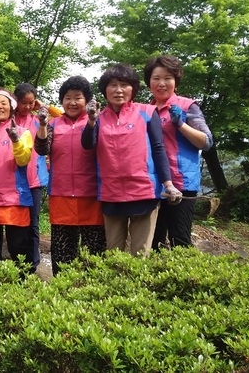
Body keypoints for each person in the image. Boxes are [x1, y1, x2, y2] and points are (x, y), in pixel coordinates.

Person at [81, 63, 183, 256]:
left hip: (144, 191)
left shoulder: (147, 112)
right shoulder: (99, 118)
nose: (118, 90)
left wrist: (168, 184)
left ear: (133, 89)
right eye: (112, 85)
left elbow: (159, 148)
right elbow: (88, 144)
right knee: (113, 254)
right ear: (104, 90)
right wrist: (91, 120)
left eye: (124, 85)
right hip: (111, 194)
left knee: (140, 254)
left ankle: (138, 285)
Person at [34, 76, 106, 274]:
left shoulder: (96, 121)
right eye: (67, 98)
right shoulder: (54, 124)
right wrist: (42, 125)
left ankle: (95, 294)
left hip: (91, 194)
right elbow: (42, 149)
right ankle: (63, 294)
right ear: (62, 101)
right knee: (63, 251)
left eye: (78, 97)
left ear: (87, 100)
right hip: (61, 193)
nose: (72, 102)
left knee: (95, 251)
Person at [144, 55, 213, 248]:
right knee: (152, 241)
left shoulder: (186, 106)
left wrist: (180, 123)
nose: (162, 83)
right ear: (149, 81)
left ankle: (183, 278)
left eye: (167, 78)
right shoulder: (145, 110)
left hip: (181, 182)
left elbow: (206, 142)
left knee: (180, 239)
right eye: (156, 78)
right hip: (151, 183)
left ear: (176, 81)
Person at [0, 89, 34, 271]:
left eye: (4, 103)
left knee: (18, 249)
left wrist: (16, 141)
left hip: (15, 199)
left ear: (11, 108)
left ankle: (22, 288)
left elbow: (24, 159)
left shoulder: (22, 131)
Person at [13, 83, 56, 270]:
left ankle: (33, 264)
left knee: (34, 225)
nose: (28, 107)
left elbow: (62, 117)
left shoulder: (39, 120)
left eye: (31, 102)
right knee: (16, 224)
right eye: (24, 102)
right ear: (15, 102)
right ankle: (18, 263)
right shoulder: (9, 120)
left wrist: (44, 105)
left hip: (35, 180)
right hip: (13, 180)